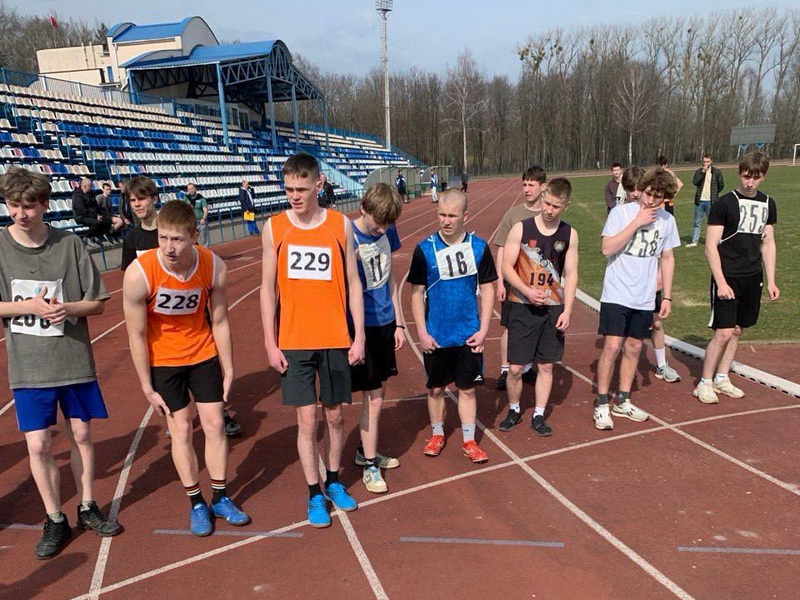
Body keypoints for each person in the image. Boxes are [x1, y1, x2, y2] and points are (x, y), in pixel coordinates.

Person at [0, 167, 120, 559]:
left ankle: (87, 506)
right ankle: (54, 518)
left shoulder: (69, 245)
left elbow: (97, 303)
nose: (20, 214)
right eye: (13, 205)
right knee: (38, 445)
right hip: (29, 366)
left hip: (72, 360)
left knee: (81, 435)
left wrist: (66, 308)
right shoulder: (0, 247)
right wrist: (28, 307)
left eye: (28, 206)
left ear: (45, 205)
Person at [123, 200, 249, 537]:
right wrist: (146, 384)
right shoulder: (139, 273)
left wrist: (229, 368)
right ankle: (196, 502)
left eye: (177, 239)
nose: (169, 248)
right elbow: (136, 334)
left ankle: (220, 497)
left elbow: (219, 320)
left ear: (194, 236)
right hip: (163, 361)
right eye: (163, 238)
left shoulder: (213, 265)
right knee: (180, 429)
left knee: (215, 424)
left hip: (202, 352)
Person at [261, 152, 365, 528]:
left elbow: (354, 282)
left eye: (301, 189)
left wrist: (359, 335)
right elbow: (267, 289)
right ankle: (313, 494)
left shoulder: (340, 225)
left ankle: (334, 481)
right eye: (289, 189)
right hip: (294, 340)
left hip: (335, 337)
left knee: (335, 416)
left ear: (318, 185)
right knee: (307, 422)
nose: (294, 196)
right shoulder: (274, 228)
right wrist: (270, 342)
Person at [120, 177, 242, 436]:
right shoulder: (133, 241)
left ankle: (218, 411)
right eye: (132, 200)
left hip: (195, 320)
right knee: (180, 426)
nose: (137, 204)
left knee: (211, 410)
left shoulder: (177, 228)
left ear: (154, 199)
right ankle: (177, 419)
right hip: (161, 330)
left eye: (142, 198)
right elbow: (131, 284)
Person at [408, 189, 497, 463]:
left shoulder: (479, 247)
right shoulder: (424, 249)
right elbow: (416, 293)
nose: (446, 221)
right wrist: (422, 332)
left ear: (465, 216)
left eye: (452, 216)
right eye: (442, 215)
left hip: (468, 334)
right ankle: (437, 434)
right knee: (436, 389)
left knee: (467, 389)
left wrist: (483, 329)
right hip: (436, 335)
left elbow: (488, 288)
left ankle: (469, 440)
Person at [594, 168, 680, 430]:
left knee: (633, 348)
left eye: (658, 197)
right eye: (648, 194)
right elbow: (606, 248)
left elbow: (668, 258)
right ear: (641, 190)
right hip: (617, 292)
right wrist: (636, 223)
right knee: (612, 347)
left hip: (644, 296)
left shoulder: (667, 221)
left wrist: (667, 297)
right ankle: (601, 403)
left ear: (665, 198)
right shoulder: (621, 213)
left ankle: (623, 399)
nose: (651, 200)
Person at [693, 152, 778, 404]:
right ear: (739, 173)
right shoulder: (724, 204)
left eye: (755, 178)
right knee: (723, 332)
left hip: (753, 276)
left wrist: (771, 280)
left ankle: (722, 377)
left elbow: (768, 243)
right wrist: (720, 281)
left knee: (738, 330)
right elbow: (711, 246)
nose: (750, 183)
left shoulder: (768, 203)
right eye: (746, 176)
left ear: (764, 176)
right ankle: (704, 382)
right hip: (728, 275)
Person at [498, 178, 579, 435]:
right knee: (515, 367)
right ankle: (514, 409)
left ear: (565, 206)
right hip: (522, 305)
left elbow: (572, 274)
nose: (549, 210)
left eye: (556, 206)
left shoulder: (569, 234)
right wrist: (526, 291)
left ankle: (539, 414)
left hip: (553, 308)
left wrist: (567, 310)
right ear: (543, 197)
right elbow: (506, 267)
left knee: (546, 365)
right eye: (547, 203)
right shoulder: (521, 229)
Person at [351, 183, 405, 493]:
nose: (383, 229)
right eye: (379, 222)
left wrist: (399, 322)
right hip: (362, 325)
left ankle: (365, 450)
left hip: (385, 321)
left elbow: (390, 276)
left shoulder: (388, 230)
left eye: (388, 223)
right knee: (373, 397)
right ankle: (369, 464)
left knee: (379, 392)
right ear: (364, 209)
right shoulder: (348, 236)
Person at [621, 167, 682, 384]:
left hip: (650, 281)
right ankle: (625, 365)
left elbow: (665, 252)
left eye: (637, 189)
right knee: (623, 329)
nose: (635, 194)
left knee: (656, 323)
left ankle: (662, 365)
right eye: (630, 190)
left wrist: (661, 276)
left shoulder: (659, 213)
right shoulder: (623, 213)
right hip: (626, 282)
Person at [494, 166, 546, 394]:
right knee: (510, 326)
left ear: (543, 187)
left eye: (531, 185)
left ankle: (528, 367)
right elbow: (501, 249)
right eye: (524, 184)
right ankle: (506, 369)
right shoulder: (513, 215)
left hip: (539, 282)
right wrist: (499, 282)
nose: (526, 189)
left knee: (537, 325)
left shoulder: (548, 213)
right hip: (514, 281)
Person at [687, 153, 724, 247]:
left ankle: (715, 241)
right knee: (697, 222)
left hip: (711, 201)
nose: (706, 163)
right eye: (704, 162)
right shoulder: (699, 171)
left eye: (708, 161)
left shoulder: (716, 172)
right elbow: (695, 182)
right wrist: (703, 172)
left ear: (711, 161)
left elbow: (721, 185)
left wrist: (714, 194)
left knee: (713, 223)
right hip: (700, 201)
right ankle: (694, 241)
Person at [72, 177, 124, 242]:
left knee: (107, 220)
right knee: (97, 223)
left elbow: (95, 206)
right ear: (85, 186)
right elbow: (82, 210)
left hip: (92, 215)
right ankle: (88, 237)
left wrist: (98, 214)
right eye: (90, 186)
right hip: (81, 217)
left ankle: (104, 235)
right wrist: (95, 216)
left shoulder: (90, 194)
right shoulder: (77, 196)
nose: (92, 187)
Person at [185, 182, 210, 247]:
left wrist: (203, 218)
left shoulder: (201, 198)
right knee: (192, 240)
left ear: (195, 188)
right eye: (189, 189)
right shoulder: (186, 198)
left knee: (203, 240)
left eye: (192, 188)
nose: (191, 190)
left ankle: (205, 251)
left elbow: (205, 210)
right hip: (191, 222)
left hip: (200, 222)